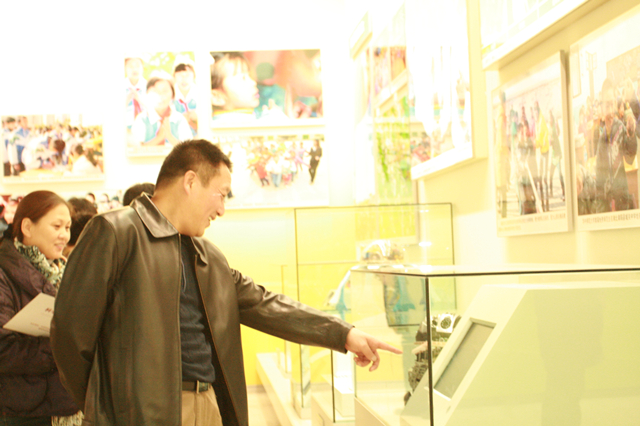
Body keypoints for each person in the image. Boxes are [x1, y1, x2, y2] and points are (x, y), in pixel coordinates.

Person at [51, 139, 401, 426]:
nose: (222, 210)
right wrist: (106, 408)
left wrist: (343, 334)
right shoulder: (116, 232)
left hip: (208, 404)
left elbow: (264, 304)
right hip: (143, 414)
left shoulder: (208, 256)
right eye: (221, 194)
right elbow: (70, 335)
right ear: (190, 182)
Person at [0, 190, 83, 425]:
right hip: (23, 411)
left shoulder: (67, 271)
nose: (64, 235)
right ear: (27, 227)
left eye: (67, 227)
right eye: (56, 226)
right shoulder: (4, 273)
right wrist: (63, 348)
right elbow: (3, 349)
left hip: (69, 404)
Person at [594, 78, 638, 212]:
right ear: (602, 108)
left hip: (623, 200)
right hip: (607, 205)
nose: (611, 110)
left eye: (613, 104)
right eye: (607, 105)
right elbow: (599, 181)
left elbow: (630, 158)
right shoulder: (599, 139)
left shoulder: (620, 128)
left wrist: (631, 135)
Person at [132, 76, 193, 146]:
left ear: (173, 95)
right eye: (155, 91)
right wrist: (159, 138)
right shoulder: (141, 119)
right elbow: (134, 150)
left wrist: (169, 136)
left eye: (165, 91)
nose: (160, 95)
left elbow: (189, 149)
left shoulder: (179, 119)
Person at [210, 52, 261, 123]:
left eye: (249, 75)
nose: (253, 82)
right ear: (217, 97)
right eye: (242, 78)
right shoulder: (227, 125)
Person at [173, 59, 198, 135]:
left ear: (194, 76)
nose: (184, 79)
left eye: (187, 75)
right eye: (180, 75)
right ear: (174, 76)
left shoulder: (201, 94)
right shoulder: (169, 94)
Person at [125, 57, 147, 131]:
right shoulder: (119, 88)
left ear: (143, 67)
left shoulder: (149, 87)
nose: (134, 69)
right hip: (125, 130)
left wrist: (140, 100)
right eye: (131, 66)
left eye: (137, 66)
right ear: (124, 68)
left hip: (146, 129)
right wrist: (126, 101)